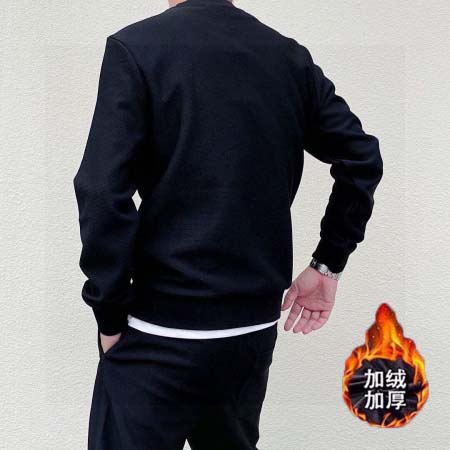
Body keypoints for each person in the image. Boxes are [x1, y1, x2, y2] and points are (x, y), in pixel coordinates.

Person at [73, 0, 383, 448]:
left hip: (157, 334)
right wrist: (328, 263)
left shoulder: (136, 48)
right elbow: (362, 157)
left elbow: (102, 192)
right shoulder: (285, 56)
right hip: (247, 335)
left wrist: (108, 314)